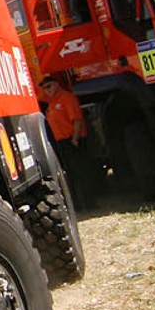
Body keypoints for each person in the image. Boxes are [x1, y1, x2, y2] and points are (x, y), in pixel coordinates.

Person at [39, 72, 97, 208]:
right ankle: (78, 204)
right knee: (71, 174)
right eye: (45, 88)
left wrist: (75, 139)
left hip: (72, 140)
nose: (48, 90)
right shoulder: (51, 102)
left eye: (49, 86)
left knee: (82, 173)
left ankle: (89, 203)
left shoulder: (66, 98)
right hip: (61, 142)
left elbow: (77, 120)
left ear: (56, 84)